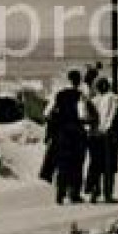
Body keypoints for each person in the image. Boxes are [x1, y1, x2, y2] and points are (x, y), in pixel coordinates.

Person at [46, 77, 87, 205]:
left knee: (63, 165)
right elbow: (83, 115)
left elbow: (47, 113)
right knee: (77, 165)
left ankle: (60, 193)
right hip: (76, 134)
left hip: (61, 134)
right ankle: (74, 193)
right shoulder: (80, 95)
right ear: (78, 81)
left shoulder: (58, 94)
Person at [84, 77, 118, 203]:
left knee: (95, 165)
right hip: (108, 136)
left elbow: (86, 117)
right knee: (109, 167)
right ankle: (108, 194)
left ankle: (94, 192)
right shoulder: (113, 97)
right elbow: (114, 115)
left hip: (93, 135)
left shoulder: (93, 100)